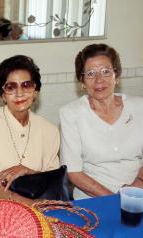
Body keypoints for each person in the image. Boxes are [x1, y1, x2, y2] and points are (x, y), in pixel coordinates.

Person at [0, 55, 60, 204]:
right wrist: (31, 205)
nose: (19, 93)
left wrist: (26, 171)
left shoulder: (50, 131)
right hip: (0, 210)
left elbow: (52, 181)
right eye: (11, 87)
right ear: (3, 95)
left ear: (36, 91)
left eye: (26, 85)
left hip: (43, 205)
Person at [60, 43, 143, 199]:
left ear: (116, 76)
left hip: (138, 192)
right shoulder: (71, 114)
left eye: (106, 71)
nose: (99, 80)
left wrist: (137, 183)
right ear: (82, 82)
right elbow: (73, 172)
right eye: (90, 73)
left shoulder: (139, 107)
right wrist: (114, 199)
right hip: (93, 198)